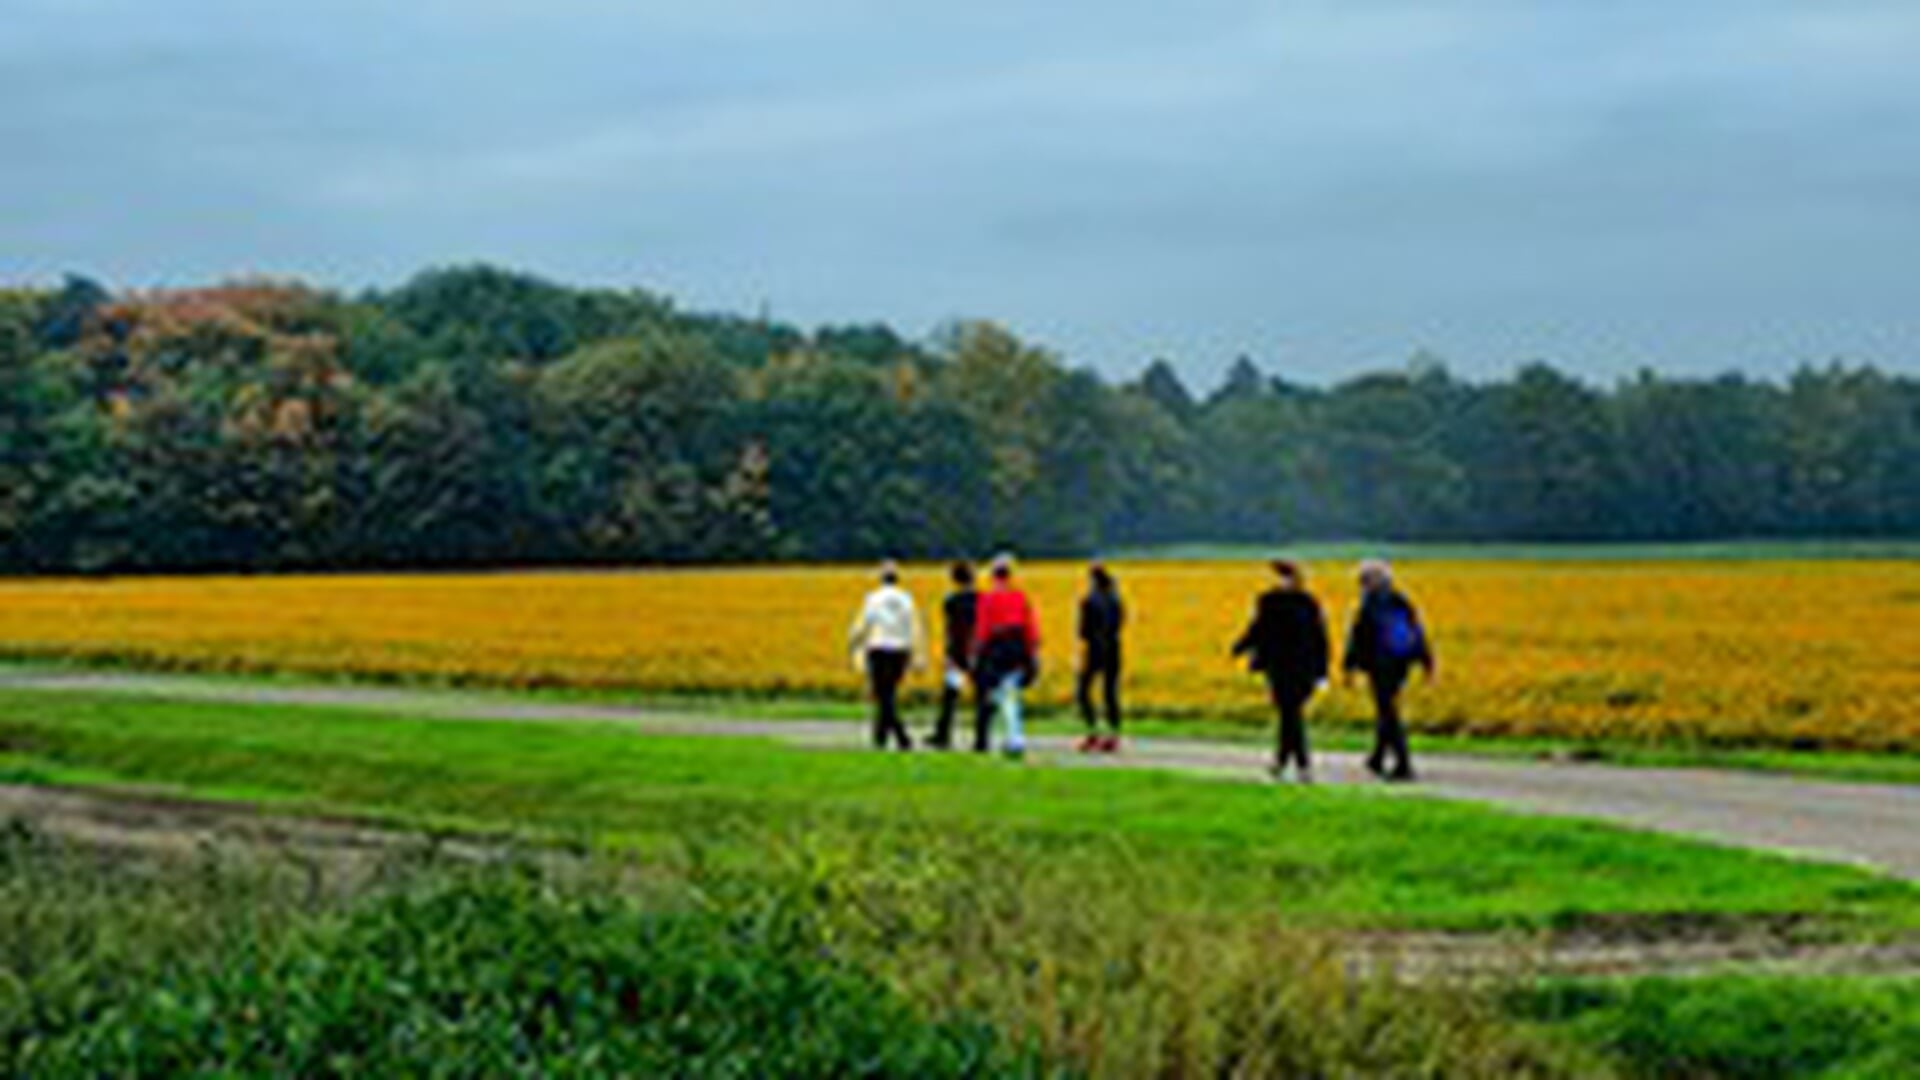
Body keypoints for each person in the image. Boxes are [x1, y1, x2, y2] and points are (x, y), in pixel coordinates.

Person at [1232, 560, 1330, 782]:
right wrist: (1240, 647)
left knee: (1290, 715)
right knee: (1290, 715)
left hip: (1295, 668)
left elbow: (1318, 638)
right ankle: (1289, 762)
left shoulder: (1299, 603)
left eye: (1284, 576)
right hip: (1284, 668)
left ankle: (1295, 763)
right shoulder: (1278, 602)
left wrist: (1322, 671)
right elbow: (1258, 629)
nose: (1280, 581)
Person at [1342, 559, 1434, 782]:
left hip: (1380, 665)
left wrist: (1349, 666)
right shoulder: (1401, 601)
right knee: (1387, 708)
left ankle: (1403, 764)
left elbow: (1359, 637)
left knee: (1388, 713)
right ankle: (1377, 757)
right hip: (1401, 664)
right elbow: (1417, 631)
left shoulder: (1371, 604)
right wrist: (1425, 660)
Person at [847, 560, 923, 751]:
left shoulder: (873, 598)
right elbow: (914, 626)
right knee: (888, 693)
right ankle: (880, 737)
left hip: (879, 647)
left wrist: (853, 640)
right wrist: (917, 653)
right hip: (900, 650)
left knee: (883, 694)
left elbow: (865, 622)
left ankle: (901, 736)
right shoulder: (907, 599)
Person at [971, 553, 1040, 759]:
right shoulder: (1019, 597)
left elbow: (982, 628)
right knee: (1010, 693)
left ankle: (1014, 739)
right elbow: (1030, 626)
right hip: (1017, 646)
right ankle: (1014, 736)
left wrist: (977, 651)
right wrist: (1032, 650)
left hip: (998, 647)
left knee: (1004, 694)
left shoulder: (988, 598)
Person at [929, 561, 987, 751]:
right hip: (978, 651)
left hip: (957, 652)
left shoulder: (951, 601)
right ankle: (980, 739)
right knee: (981, 696)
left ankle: (943, 735)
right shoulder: (982, 599)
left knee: (950, 696)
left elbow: (951, 630)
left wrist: (948, 653)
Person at [1076, 563, 1125, 752]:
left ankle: (1092, 731)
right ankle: (1113, 734)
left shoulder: (1088, 601)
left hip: (1095, 649)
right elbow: (1121, 623)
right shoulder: (1116, 600)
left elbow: (1083, 631)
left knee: (1084, 690)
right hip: (1113, 648)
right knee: (1110, 692)